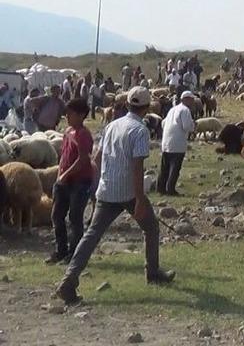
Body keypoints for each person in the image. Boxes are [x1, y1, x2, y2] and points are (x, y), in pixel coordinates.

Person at [55, 87, 175, 305]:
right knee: (151, 228)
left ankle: (69, 280)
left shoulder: (111, 125)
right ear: (147, 108)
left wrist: (96, 185)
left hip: (106, 189)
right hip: (129, 191)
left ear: (127, 104)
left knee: (91, 236)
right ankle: (153, 272)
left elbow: (97, 158)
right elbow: (137, 166)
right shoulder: (140, 130)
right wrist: (139, 199)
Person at [45, 98, 94, 265]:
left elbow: (83, 160)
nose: (67, 116)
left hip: (79, 182)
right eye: (67, 113)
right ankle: (61, 250)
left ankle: (74, 254)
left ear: (81, 115)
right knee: (57, 216)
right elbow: (64, 155)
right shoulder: (68, 132)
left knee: (75, 218)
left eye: (71, 113)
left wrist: (65, 174)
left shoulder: (83, 134)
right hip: (63, 181)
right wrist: (60, 172)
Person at [157, 91, 196, 196]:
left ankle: (160, 188)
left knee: (165, 167)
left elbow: (163, 123)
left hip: (166, 141)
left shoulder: (172, 109)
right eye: (191, 99)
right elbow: (187, 126)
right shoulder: (185, 110)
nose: (193, 101)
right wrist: (193, 126)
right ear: (186, 99)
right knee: (175, 167)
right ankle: (170, 189)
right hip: (177, 143)